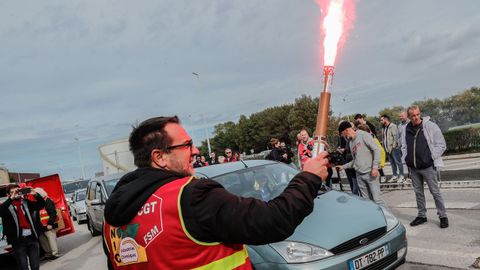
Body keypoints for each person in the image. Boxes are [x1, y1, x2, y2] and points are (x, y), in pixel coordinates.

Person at [102, 116, 329, 269]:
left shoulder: (111, 220)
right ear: (159, 157)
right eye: (187, 145)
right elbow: (273, 221)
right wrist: (308, 177)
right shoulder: (190, 196)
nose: (196, 150)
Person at [401, 105, 449, 228]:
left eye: (418, 114)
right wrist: (406, 159)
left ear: (420, 114)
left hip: (428, 166)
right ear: (409, 117)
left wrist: (430, 158)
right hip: (413, 167)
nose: (416, 117)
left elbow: (441, 145)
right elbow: (403, 146)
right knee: (418, 193)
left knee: (435, 192)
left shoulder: (430, 126)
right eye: (413, 116)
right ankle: (422, 215)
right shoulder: (406, 129)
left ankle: (443, 216)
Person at [336, 121, 388, 208]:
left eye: (342, 134)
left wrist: (375, 167)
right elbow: (355, 160)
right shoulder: (351, 142)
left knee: (377, 200)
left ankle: (388, 220)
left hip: (371, 173)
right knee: (366, 202)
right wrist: (343, 167)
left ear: (346, 130)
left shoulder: (363, 135)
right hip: (359, 176)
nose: (343, 137)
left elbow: (376, 150)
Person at [0, 184, 45, 270]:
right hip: (18, 242)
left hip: (32, 238)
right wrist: (11, 199)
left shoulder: (26, 202)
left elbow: (41, 205)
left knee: (35, 266)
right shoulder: (6, 206)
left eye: (17, 191)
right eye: (12, 192)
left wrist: (35, 194)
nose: (15, 194)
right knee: (23, 267)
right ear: (8, 195)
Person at [34, 187, 59, 260]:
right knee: (43, 241)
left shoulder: (48, 201)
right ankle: (48, 254)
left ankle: (55, 253)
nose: (35, 196)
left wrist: (50, 223)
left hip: (48, 225)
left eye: (36, 194)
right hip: (41, 226)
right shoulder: (38, 202)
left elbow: (53, 213)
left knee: (51, 239)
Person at [380, 115, 405, 183]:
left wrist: (394, 147)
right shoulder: (384, 128)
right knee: (392, 163)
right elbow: (384, 138)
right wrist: (384, 148)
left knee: (398, 162)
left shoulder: (393, 126)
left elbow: (396, 137)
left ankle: (401, 176)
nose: (381, 121)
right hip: (387, 148)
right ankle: (395, 176)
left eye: (382, 120)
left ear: (386, 119)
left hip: (394, 148)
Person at [337, 125, 359, 195]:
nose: (342, 135)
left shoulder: (353, 139)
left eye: (342, 134)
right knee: (352, 183)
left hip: (357, 167)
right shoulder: (346, 140)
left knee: (356, 186)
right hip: (348, 163)